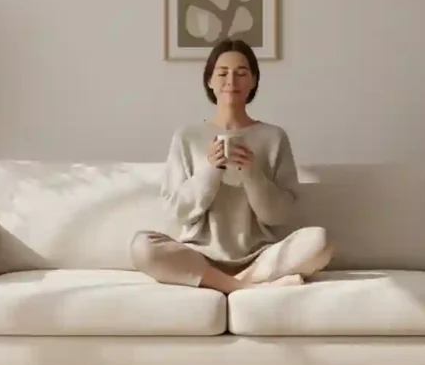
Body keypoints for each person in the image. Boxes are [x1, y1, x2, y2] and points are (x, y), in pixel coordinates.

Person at [130, 39, 333, 293]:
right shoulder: (187, 137)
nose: (231, 81)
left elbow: (279, 216)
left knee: (320, 241)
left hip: (260, 256)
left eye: (241, 73)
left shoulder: (274, 137)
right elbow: (176, 212)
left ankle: (231, 283)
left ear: (254, 81)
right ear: (209, 80)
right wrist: (209, 170)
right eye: (222, 73)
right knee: (142, 246)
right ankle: (244, 286)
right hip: (199, 256)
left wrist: (252, 174)